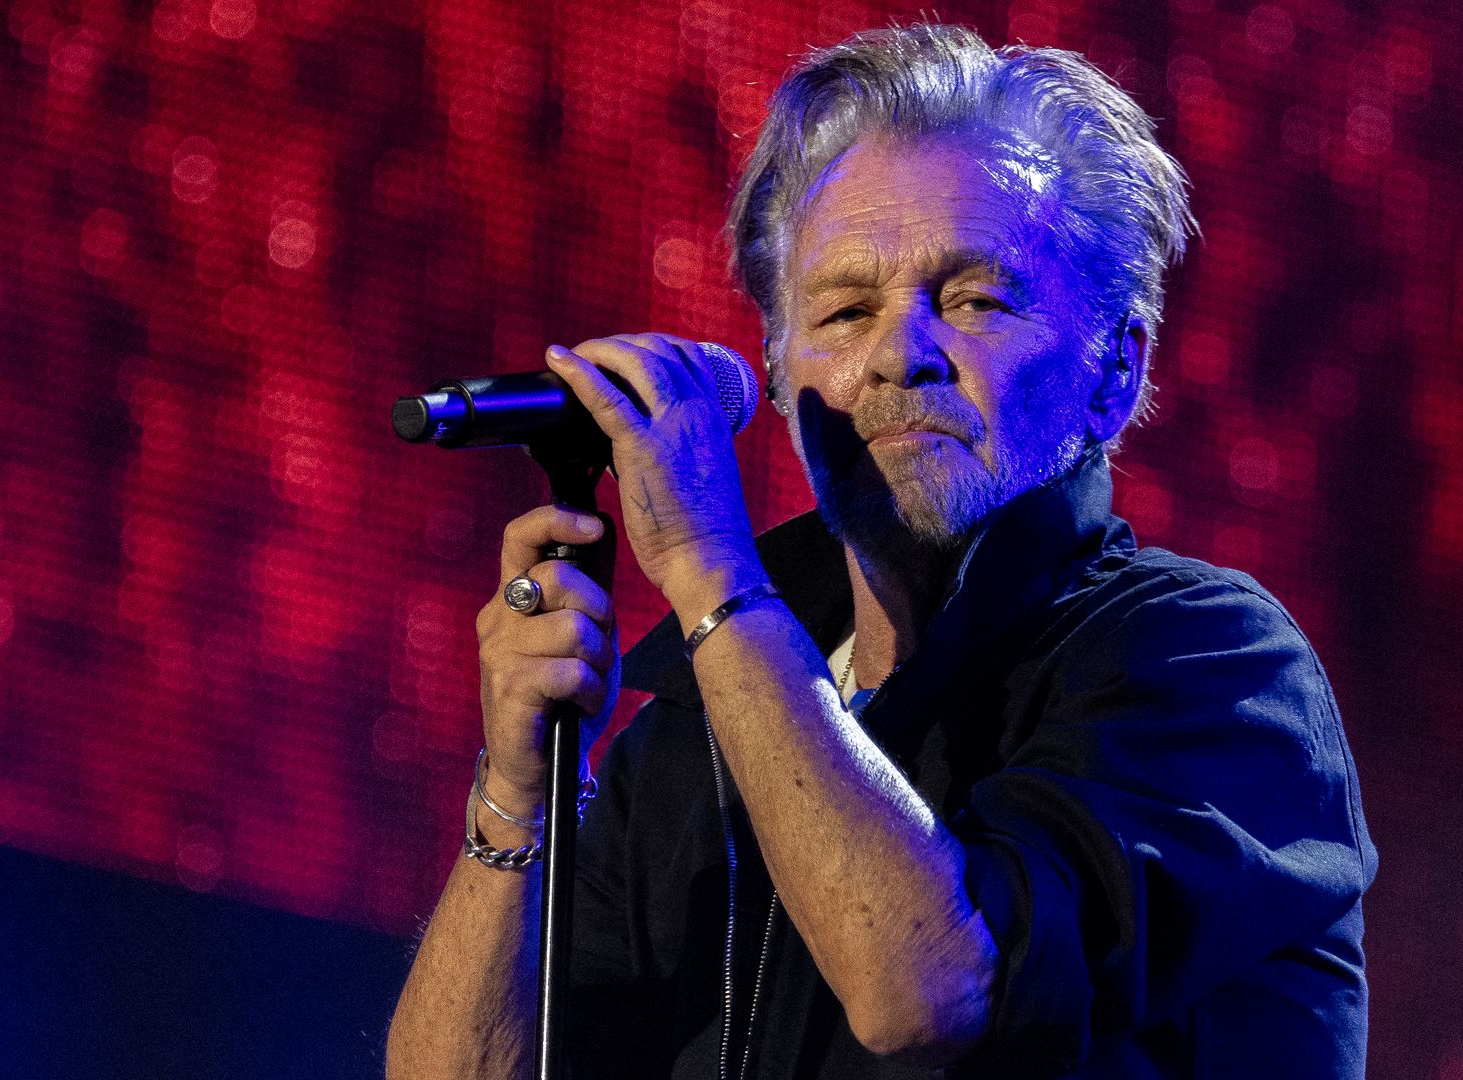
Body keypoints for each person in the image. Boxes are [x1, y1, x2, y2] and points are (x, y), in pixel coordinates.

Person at [387, 23, 1375, 1080]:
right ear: (776, 374)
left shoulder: (1210, 669)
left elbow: (928, 989)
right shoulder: (686, 734)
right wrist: (521, 794)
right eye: (848, 309)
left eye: (977, 300)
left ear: (1115, 371)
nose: (901, 353)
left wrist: (713, 571)